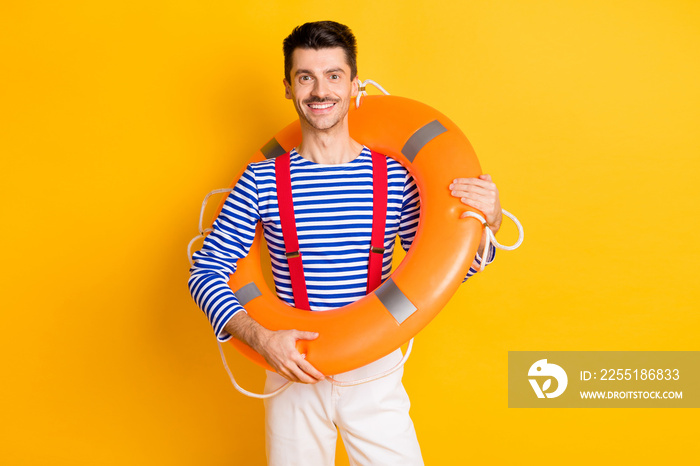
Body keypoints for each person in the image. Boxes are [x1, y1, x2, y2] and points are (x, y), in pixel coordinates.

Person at [189, 20, 502, 466]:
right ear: (288, 87)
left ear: (354, 85)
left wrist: (487, 225)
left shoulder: (394, 178)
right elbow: (205, 269)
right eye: (306, 77)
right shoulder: (261, 178)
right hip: (290, 370)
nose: (321, 91)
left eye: (334, 75)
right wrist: (260, 338)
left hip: (374, 374)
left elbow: (441, 270)